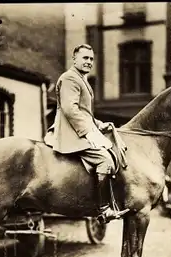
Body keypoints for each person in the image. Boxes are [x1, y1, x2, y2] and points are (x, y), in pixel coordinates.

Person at [44, 44, 121, 224]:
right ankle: (104, 209)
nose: (89, 62)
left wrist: (100, 125)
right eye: (85, 58)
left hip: (78, 128)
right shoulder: (70, 78)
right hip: (71, 132)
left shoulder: (81, 79)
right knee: (104, 160)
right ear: (75, 59)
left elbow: (85, 112)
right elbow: (70, 110)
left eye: (91, 59)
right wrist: (89, 133)